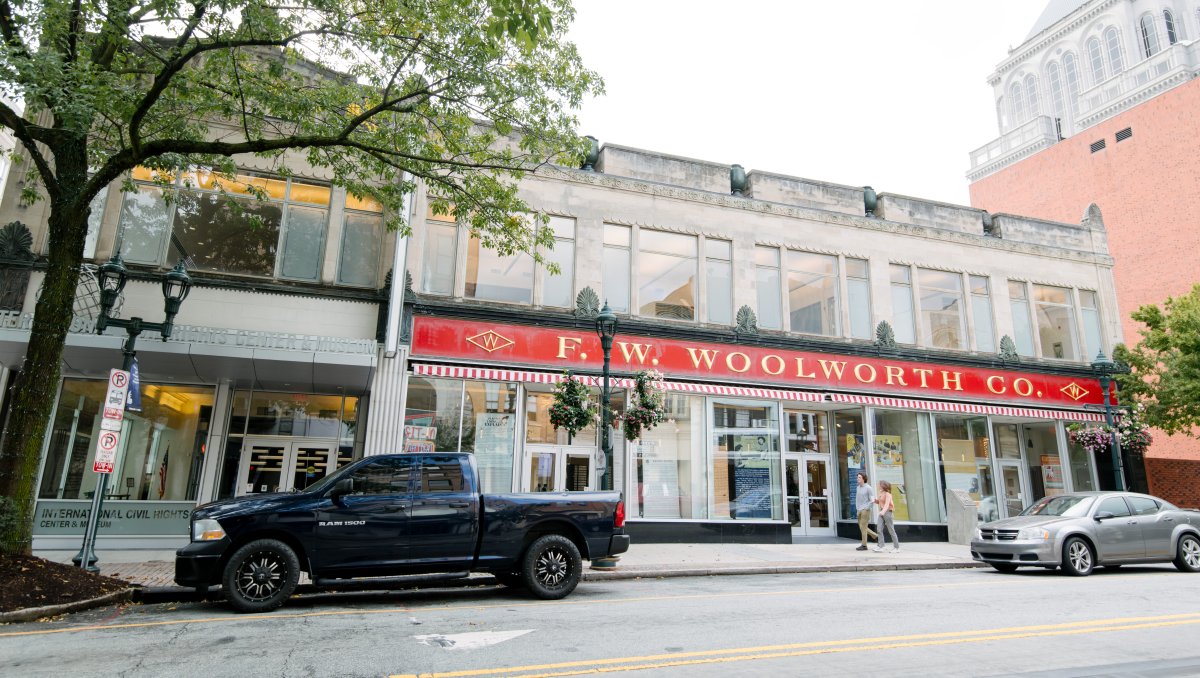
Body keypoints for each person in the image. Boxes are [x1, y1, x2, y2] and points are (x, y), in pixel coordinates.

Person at [873, 480, 900, 553]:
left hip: (887, 512)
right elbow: (879, 502)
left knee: (891, 530)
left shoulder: (888, 494)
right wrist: (875, 501)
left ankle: (897, 548)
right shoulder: (881, 493)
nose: (878, 485)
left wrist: (883, 512)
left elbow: (887, 504)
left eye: (879, 484)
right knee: (879, 529)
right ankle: (881, 546)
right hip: (882, 512)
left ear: (883, 485)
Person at [855, 472, 877, 551]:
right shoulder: (858, 488)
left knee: (863, 527)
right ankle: (875, 535)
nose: (858, 479)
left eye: (859, 477)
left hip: (865, 510)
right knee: (862, 527)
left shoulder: (868, 488)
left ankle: (864, 545)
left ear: (864, 478)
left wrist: (867, 508)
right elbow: (857, 499)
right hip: (859, 509)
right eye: (857, 477)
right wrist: (857, 508)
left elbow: (872, 500)